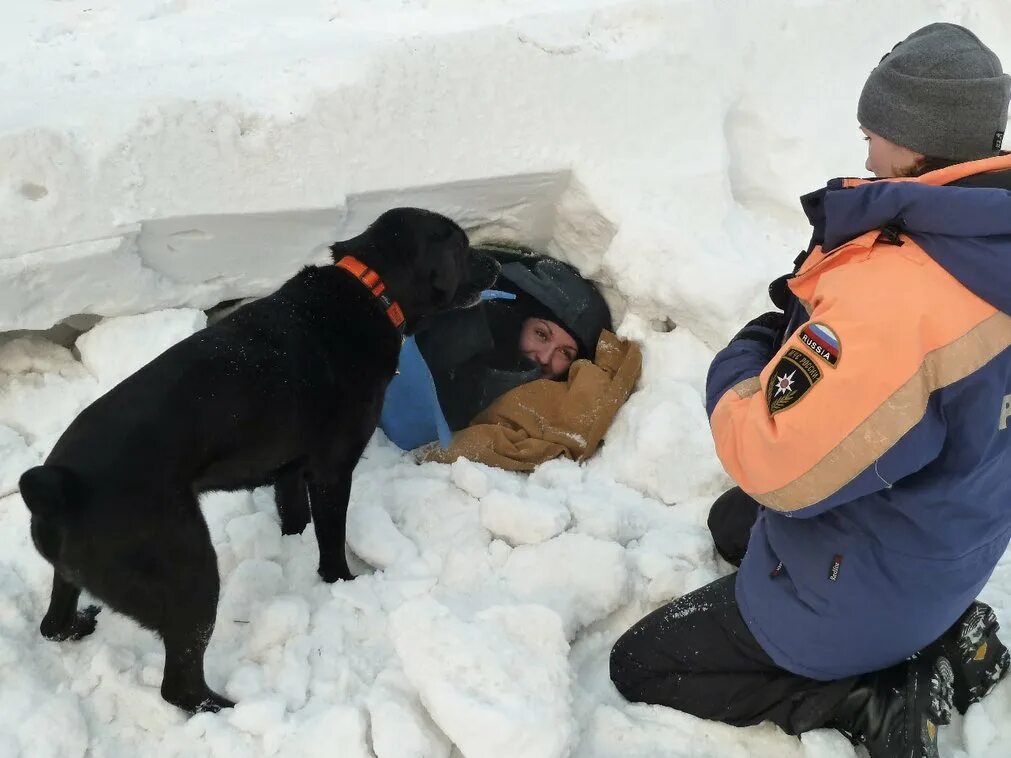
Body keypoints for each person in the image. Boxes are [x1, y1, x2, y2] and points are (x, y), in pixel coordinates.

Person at [610, 22, 1011, 758]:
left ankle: (865, 694)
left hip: (872, 590)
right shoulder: (990, 245)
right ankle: (941, 631)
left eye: (873, 134)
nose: (863, 151)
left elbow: (773, 461)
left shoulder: (909, 297)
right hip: (950, 545)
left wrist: (747, 354)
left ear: (915, 140)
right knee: (734, 523)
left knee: (640, 662)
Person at [378, 244, 613, 450]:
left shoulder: (559, 404)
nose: (544, 357)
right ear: (522, 322)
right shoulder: (467, 335)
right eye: (541, 334)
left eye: (565, 353)